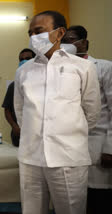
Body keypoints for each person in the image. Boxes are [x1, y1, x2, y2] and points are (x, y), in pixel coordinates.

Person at [14, 11, 101, 214]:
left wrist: (68, 134)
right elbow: (20, 111)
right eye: (30, 32)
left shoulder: (82, 67)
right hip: (31, 157)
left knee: (71, 209)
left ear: (60, 32)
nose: (34, 37)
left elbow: (92, 111)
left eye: (39, 31)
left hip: (68, 157)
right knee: (32, 210)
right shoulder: (23, 71)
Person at [62, 25, 112, 214]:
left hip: (98, 144)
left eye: (71, 39)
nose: (66, 45)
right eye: (63, 41)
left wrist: (110, 147)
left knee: (99, 198)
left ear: (85, 43)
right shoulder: (61, 70)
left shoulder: (104, 67)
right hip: (70, 146)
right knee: (75, 198)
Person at [2, 48, 35, 147]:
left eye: (28, 58)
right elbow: (7, 109)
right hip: (19, 134)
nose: (24, 61)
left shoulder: (43, 83)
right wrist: (15, 127)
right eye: (21, 59)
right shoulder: (14, 85)